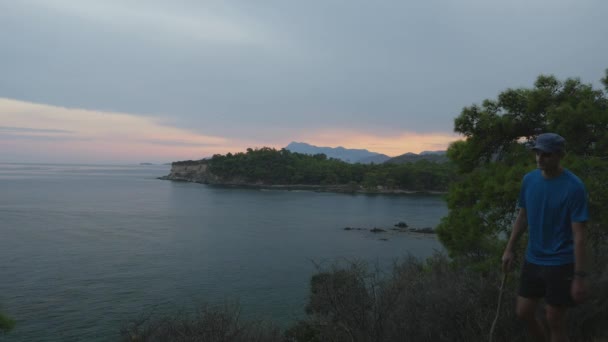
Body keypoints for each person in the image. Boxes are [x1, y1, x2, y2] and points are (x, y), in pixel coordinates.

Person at [502, 133, 589, 342]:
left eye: (546, 154)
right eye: (537, 153)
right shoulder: (529, 180)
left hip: (561, 262)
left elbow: (579, 236)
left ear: (560, 155)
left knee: (554, 320)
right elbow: (523, 217)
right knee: (523, 312)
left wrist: (579, 277)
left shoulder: (574, 187)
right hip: (533, 259)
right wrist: (509, 248)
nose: (540, 158)